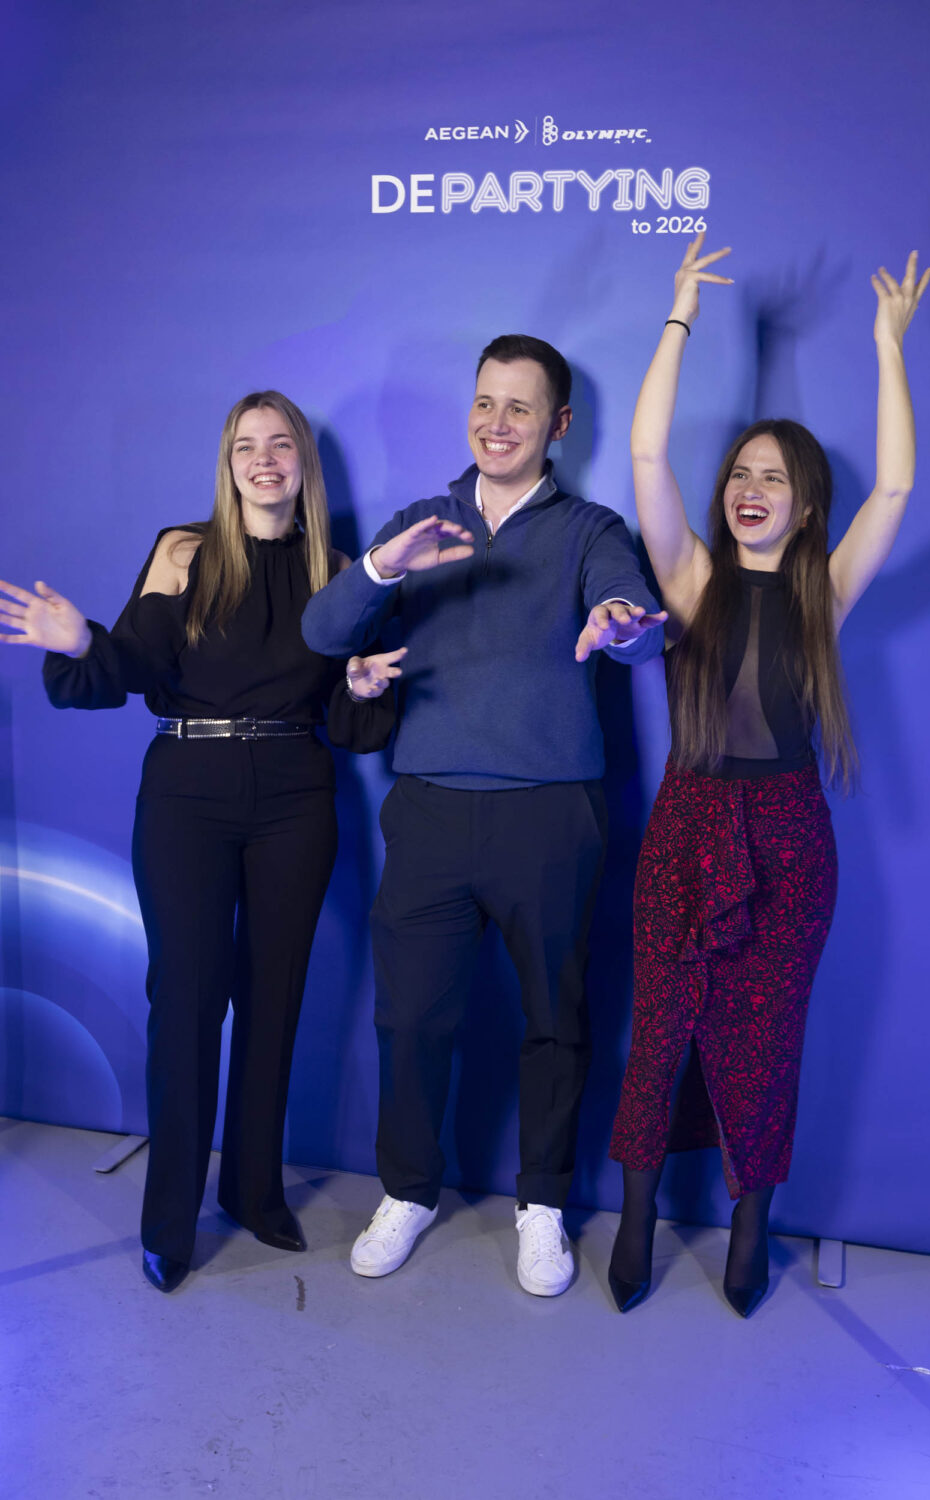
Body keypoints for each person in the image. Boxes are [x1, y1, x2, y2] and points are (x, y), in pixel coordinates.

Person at [0, 391, 399, 1294]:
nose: (264, 460)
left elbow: (348, 718)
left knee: (274, 998)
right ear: (227, 465)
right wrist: (81, 640)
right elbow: (135, 664)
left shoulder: (339, 570)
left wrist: (364, 687)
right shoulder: (184, 551)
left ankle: (255, 1192)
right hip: (188, 791)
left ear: (303, 462)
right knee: (185, 1001)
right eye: (245, 447)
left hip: (296, 793)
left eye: (280, 444)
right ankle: (169, 1221)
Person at [301, 334, 666, 1297]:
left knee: (556, 1020)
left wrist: (618, 624)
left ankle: (542, 1204)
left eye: (519, 407)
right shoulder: (420, 524)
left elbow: (631, 619)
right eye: (484, 403)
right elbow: (323, 631)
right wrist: (383, 567)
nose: (496, 424)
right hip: (428, 811)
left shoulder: (589, 529)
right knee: (410, 1019)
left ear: (559, 424)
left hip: (550, 815)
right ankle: (407, 1190)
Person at [607, 238, 930, 1316]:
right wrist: (681, 318)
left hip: (792, 840)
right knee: (660, 1031)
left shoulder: (823, 596)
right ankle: (638, 1214)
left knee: (765, 1043)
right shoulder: (690, 578)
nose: (751, 489)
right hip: (686, 826)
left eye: (774, 478)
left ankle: (752, 1225)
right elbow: (646, 456)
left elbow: (898, 483)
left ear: (805, 505)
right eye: (741, 474)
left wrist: (888, 344)